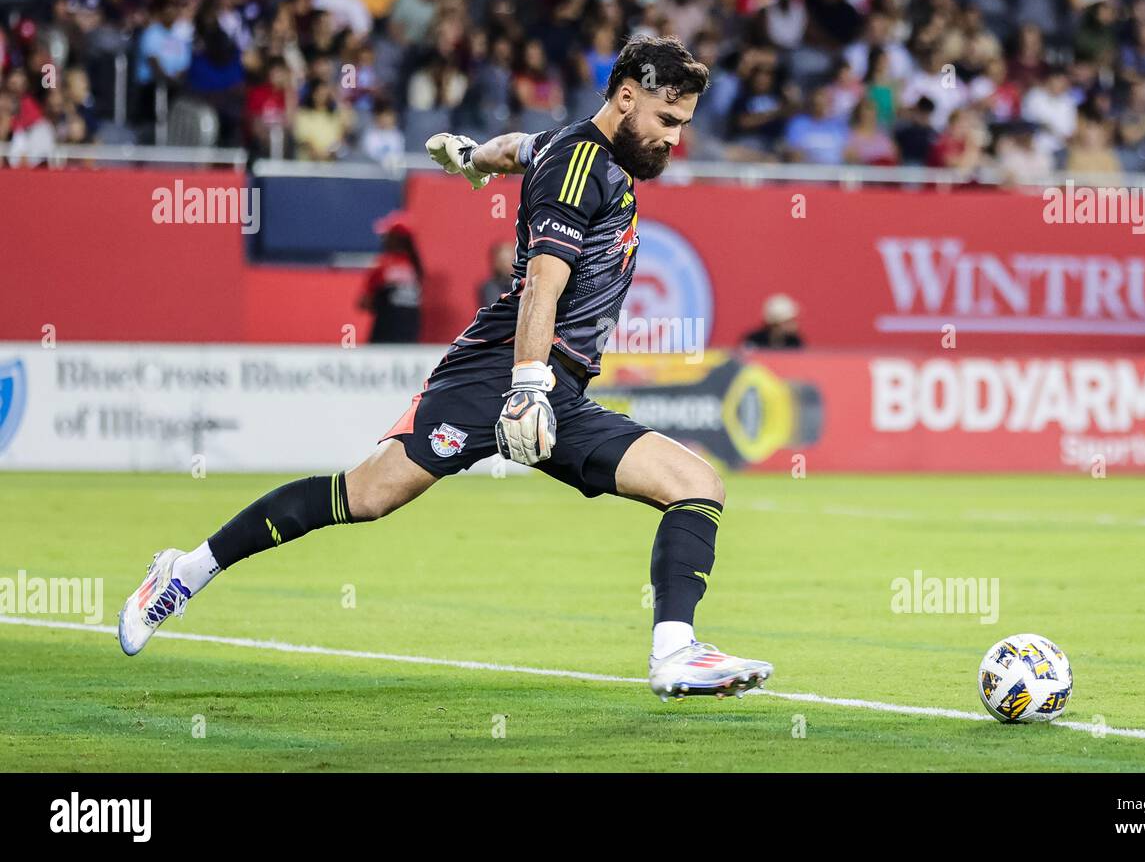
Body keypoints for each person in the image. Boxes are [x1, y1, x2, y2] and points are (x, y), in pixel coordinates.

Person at [118, 35, 773, 702]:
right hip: (501, 374)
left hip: (557, 389)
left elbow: (518, 147)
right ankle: (183, 571)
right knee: (369, 495)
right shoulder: (582, 165)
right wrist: (524, 390)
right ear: (627, 96)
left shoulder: (574, 149)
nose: (674, 139)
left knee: (696, 484)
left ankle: (674, 653)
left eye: (683, 126)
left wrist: (469, 158)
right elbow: (544, 286)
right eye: (667, 121)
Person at [359, 214, 423, 344]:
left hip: (385, 334)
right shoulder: (415, 267)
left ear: (396, 239)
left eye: (386, 235)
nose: (383, 239)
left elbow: (364, 302)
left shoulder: (383, 265)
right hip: (410, 334)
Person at [478, 241, 515, 309]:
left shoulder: (525, 283)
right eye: (505, 260)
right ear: (497, 263)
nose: (510, 264)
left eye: (512, 258)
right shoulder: (490, 287)